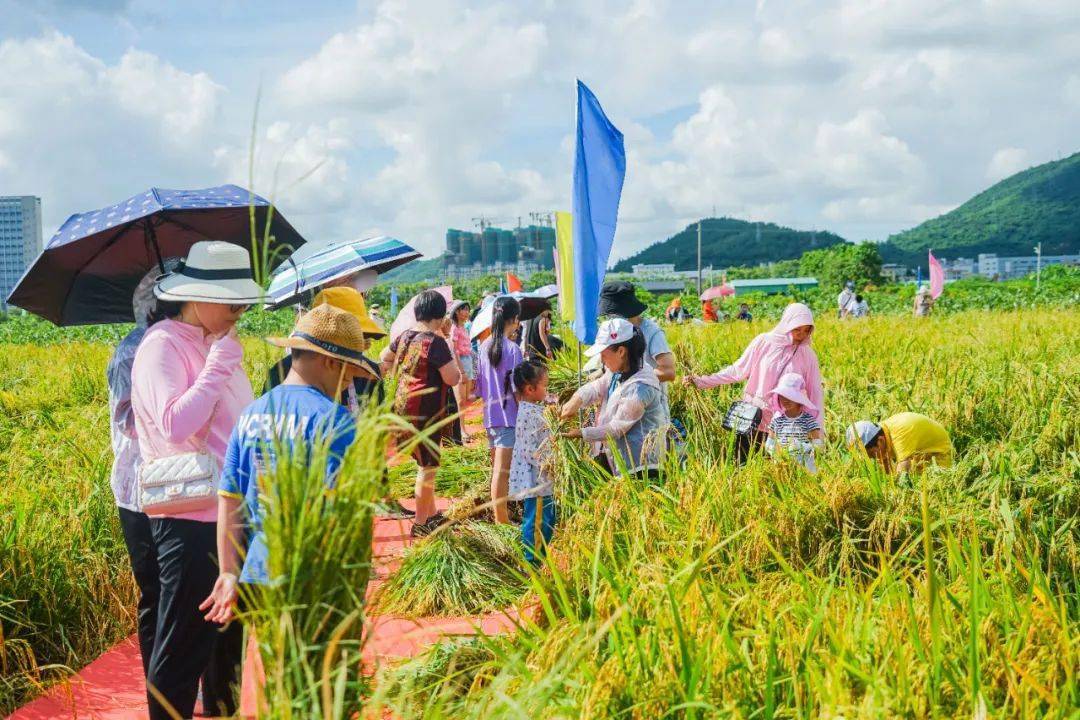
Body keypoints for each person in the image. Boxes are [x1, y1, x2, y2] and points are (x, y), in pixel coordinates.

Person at [130, 241, 258, 720]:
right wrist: (219, 365)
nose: (239, 312)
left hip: (230, 512)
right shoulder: (162, 344)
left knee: (225, 642)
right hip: (191, 519)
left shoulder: (212, 343)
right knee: (183, 645)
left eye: (243, 303)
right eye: (232, 303)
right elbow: (175, 426)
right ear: (197, 295)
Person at [201, 304, 369, 624]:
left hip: (257, 573)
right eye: (349, 374)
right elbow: (341, 510)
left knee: (275, 667)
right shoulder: (335, 421)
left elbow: (230, 500)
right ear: (331, 362)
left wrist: (227, 572)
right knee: (321, 672)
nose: (348, 384)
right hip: (317, 577)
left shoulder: (251, 414)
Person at [265, 287, 410, 519]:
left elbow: (375, 431)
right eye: (357, 335)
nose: (363, 343)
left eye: (363, 336)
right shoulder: (281, 374)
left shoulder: (369, 374)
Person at [106, 261, 178, 682]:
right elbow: (128, 420)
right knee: (155, 591)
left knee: (181, 592)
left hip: (180, 484)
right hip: (141, 491)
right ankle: (161, 685)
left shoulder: (177, 344)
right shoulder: (132, 351)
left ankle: (180, 681)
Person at [684, 303, 824, 460]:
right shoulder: (764, 342)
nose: (801, 335)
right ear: (786, 323)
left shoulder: (808, 356)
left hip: (784, 427)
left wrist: (818, 434)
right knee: (742, 466)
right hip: (752, 420)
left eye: (806, 330)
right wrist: (702, 381)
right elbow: (737, 370)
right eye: (797, 329)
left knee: (776, 473)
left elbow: (815, 394)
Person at [380, 290, 460, 537]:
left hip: (404, 408)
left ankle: (432, 512)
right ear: (440, 314)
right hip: (426, 411)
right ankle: (421, 522)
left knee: (423, 464)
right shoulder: (434, 342)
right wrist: (449, 348)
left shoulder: (405, 337)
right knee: (427, 468)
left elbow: (384, 358)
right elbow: (453, 377)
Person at [560, 318, 667, 479]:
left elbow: (616, 428)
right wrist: (576, 400)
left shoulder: (641, 388)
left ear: (621, 352)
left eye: (604, 355)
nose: (602, 361)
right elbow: (597, 386)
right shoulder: (618, 371)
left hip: (641, 468)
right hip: (621, 462)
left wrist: (581, 433)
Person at [598, 281, 676, 425]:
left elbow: (669, 371)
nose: (610, 319)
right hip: (622, 410)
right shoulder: (615, 333)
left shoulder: (652, 332)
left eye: (612, 315)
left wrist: (631, 378)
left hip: (649, 413)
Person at [477, 296, 523, 524]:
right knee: (501, 473)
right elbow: (517, 388)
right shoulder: (513, 350)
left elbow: (479, 387)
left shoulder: (484, 347)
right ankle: (501, 521)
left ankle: (500, 517)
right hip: (509, 417)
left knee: (498, 470)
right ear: (515, 319)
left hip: (490, 418)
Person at [508, 360, 555, 564]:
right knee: (536, 523)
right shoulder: (528, 414)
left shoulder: (535, 409)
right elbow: (530, 451)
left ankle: (539, 559)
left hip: (543, 481)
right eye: (545, 385)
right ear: (530, 389)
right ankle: (532, 564)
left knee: (546, 521)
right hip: (536, 482)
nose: (547, 389)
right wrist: (551, 463)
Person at [847, 413, 953, 474]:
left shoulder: (900, 433)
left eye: (871, 454)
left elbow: (903, 470)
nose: (871, 458)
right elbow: (888, 472)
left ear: (880, 441)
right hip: (919, 455)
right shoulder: (879, 432)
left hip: (940, 454)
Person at [764, 372, 824, 473]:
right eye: (782, 395)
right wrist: (779, 454)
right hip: (782, 467)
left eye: (790, 396)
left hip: (803, 469)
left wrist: (801, 446)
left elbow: (818, 446)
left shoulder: (808, 421)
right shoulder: (777, 421)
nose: (785, 400)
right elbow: (769, 444)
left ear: (799, 399)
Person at [447, 300, 474, 432]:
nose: (467, 312)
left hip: (467, 361)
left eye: (468, 310)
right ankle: (461, 430)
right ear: (457, 312)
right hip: (461, 363)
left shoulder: (463, 327)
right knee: (460, 401)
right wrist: (461, 372)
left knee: (466, 399)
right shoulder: (455, 329)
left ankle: (462, 428)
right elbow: (455, 351)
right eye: (465, 309)